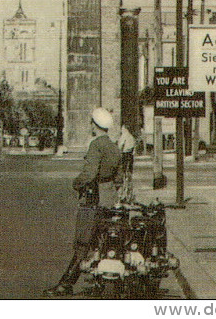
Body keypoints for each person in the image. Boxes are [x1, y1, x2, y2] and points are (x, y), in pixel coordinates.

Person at [46, 107, 122, 297]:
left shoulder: (96, 145)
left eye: (91, 124)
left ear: (95, 126)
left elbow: (90, 174)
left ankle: (66, 284)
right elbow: (119, 178)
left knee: (83, 243)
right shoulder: (114, 147)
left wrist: (76, 183)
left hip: (94, 199)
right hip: (110, 199)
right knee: (105, 240)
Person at [116, 124, 137, 202]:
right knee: (129, 175)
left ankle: (123, 194)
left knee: (123, 175)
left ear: (125, 128)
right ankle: (129, 194)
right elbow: (134, 150)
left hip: (124, 156)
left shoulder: (124, 136)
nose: (121, 130)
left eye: (122, 128)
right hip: (130, 157)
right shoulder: (131, 137)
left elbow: (120, 147)